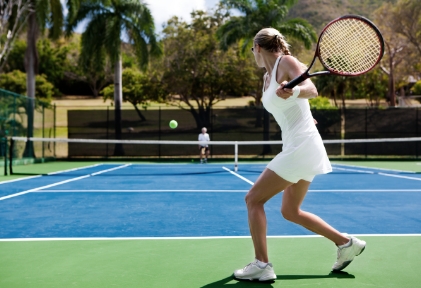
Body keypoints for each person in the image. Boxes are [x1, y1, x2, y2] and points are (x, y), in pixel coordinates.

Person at [233, 28, 366, 282]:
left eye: (253, 50)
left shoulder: (286, 62)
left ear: (258, 48)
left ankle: (262, 265)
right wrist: (304, 113)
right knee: (290, 211)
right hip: (300, 143)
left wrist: (293, 91)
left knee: (253, 200)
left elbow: (310, 89)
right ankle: (346, 243)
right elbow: (292, 108)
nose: (253, 55)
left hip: (301, 145)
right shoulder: (267, 77)